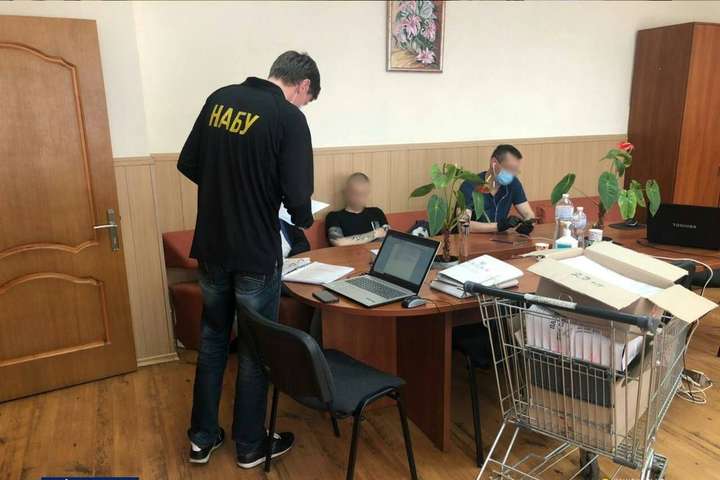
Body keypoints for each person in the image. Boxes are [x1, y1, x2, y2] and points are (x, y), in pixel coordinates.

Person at [177, 50, 320, 469]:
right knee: (256, 350)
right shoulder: (288, 118)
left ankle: (202, 438)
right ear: (303, 86)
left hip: (212, 248)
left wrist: (227, 187)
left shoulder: (220, 98)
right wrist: (302, 219)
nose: (303, 106)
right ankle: (250, 445)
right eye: (307, 100)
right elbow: (298, 198)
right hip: (256, 254)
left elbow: (188, 162)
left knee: (213, 341)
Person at [460, 144, 536, 235]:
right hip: (472, 239)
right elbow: (463, 225)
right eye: (510, 169)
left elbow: (529, 214)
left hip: (500, 240)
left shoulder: (513, 184)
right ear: (494, 163)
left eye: (515, 170)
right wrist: (498, 226)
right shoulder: (469, 185)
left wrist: (529, 223)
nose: (513, 174)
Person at [325, 172, 389, 246]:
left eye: (364, 194)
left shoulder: (377, 212)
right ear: (347, 192)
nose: (360, 198)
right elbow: (338, 242)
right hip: (349, 253)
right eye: (356, 193)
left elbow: (388, 237)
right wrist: (374, 234)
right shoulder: (334, 216)